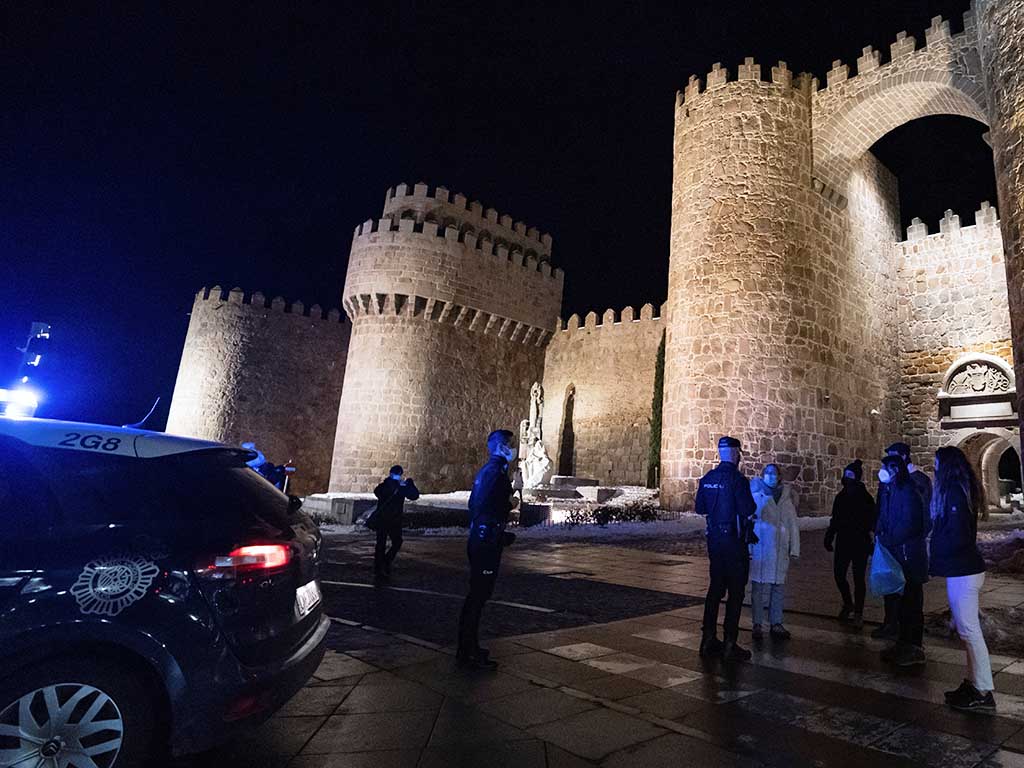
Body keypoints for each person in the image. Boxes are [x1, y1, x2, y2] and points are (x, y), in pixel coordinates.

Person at [930, 446, 996, 713]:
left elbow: (956, 536)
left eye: (937, 463)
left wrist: (936, 557)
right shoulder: (959, 490)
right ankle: (972, 682)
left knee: (970, 632)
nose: (934, 468)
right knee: (965, 631)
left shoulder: (955, 493)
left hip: (964, 571)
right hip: (961, 569)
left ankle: (983, 691)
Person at [457, 429, 519, 669]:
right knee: (478, 596)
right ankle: (467, 651)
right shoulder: (495, 472)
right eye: (509, 444)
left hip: (483, 539)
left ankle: (468, 647)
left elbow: (477, 504)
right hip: (486, 543)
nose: (512, 448)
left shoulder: (492, 471)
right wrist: (509, 505)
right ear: (500, 447)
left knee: (478, 596)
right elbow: (484, 507)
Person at [696, 435, 757, 661]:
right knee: (736, 593)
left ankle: (708, 639)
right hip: (733, 542)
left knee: (715, 590)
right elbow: (748, 508)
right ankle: (730, 643)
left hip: (714, 540)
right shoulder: (737, 480)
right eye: (739, 453)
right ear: (735, 453)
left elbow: (700, 508)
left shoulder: (707, 478)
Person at [873, 442, 933, 640]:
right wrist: (879, 531)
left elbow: (916, 520)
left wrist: (891, 539)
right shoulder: (889, 485)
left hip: (907, 550)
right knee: (892, 589)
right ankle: (892, 626)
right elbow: (883, 510)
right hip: (892, 548)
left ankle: (911, 642)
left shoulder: (915, 485)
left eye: (893, 457)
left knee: (911, 598)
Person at [749, 464, 800, 640]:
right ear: (763, 475)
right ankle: (757, 623)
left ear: (779, 476)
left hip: (780, 548)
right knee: (758, 587)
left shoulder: (786, 498)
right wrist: (748, 547)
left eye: (774, 473)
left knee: (778, 586)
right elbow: (750, 521)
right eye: (768, 473)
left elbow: (793, 524)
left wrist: (795, 548)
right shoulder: (756, 496)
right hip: (761, 546)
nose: (771, 476)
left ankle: (776, 622)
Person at [825, 459, 876, 628]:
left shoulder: (865, 498)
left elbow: (871, 520)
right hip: (843, 541)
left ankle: (858, 612)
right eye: (846, 474)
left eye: (851, 475)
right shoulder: (841, 497)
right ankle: (848, 603)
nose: (847, 478)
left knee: (858, 578)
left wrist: (871, 539)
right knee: (839, 575)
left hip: (860, 543)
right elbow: (836, 519)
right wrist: (829, 536)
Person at [371, 465, 420, 577]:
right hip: (388, 519)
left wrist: (409, 484)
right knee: (384, 543)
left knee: (391, 542)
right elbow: (378, 492)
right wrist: (398, 486)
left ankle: (383, 563)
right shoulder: (388, 486)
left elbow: (414, 496)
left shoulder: (399, 487)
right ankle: (381, 565)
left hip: (391, 520)